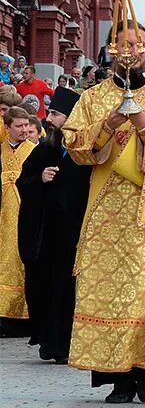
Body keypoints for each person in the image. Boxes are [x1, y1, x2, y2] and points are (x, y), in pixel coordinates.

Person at [62, 21, 145, 403]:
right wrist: (108, 125)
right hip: (105, 213)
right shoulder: (93, 97)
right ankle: (118, 378)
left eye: (139, 44)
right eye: (125, 44)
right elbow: (75, 145)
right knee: (104, 291)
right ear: (110, 49)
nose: (132, 51)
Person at [16, 88, 88, 364]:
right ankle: (48, 341)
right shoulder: (46, 149)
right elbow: (23, 182)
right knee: (46, 287)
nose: (49, 119)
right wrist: (40, 181)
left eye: (56, 114)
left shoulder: (84, 154)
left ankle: (67, 344)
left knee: (69, 291)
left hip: (76, 235)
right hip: (47, 237)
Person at [0, 107, 35, 328]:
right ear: (7, 127)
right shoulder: (0, 152)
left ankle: (25, 317)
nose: (24, 130)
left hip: (27, 213)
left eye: (26, 125)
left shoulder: (36, 150)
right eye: (19, 126)